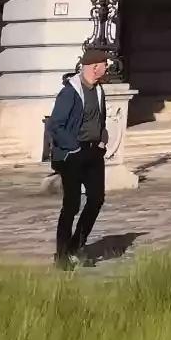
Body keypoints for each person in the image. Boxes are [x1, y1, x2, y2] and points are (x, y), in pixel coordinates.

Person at [43, 47, 111, 266]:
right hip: (73, 154)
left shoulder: (99, 91)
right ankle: (62, 255)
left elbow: (100, 119)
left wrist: (102, 139)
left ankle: (76, 245)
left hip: (93, 152)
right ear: (94, 66)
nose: (107, 67)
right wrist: (72, 147)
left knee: (96, 199)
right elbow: (56, 124)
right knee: (71, 205)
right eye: (104, 64)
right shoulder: (70, 92)